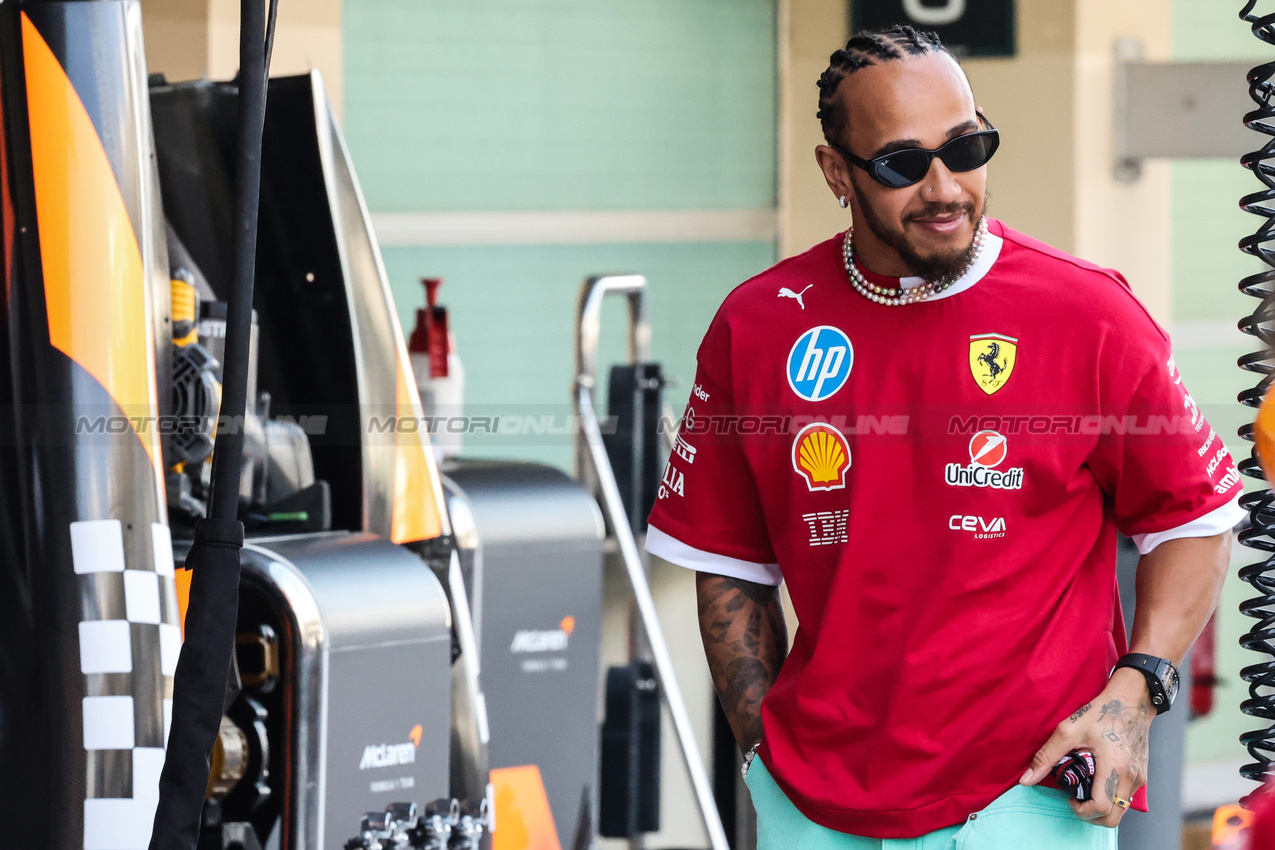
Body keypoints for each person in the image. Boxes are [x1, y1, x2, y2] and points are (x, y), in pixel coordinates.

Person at [645, 25, 1245, 849]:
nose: (943, 186)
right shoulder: (756, 326)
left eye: (966, 148)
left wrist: (1134, 691)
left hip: (1026, 798)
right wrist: (762, 761)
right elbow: (727, 563)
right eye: (899, 163)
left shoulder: (1089, 317)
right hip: (811, 809)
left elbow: (1195, 520)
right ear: (835, 172)